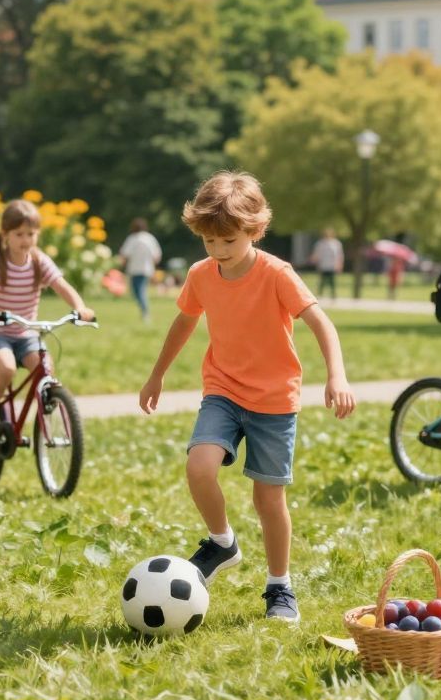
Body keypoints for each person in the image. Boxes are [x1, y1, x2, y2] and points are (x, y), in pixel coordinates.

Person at [138, 171, 355, 622]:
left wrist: (336, 376)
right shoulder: (201, 275)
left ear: (254, 230)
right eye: (209, 241)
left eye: (228, 242)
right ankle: (222, 542)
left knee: (268, 500)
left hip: (274, 400)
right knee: (199, 467)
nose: (218, 251)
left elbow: (321, 323)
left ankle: (280, 586)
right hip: (223, 389)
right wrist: (157, 374)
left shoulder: (277, 273)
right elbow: (183, 323)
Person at [0, 199, 97, 443]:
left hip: (26, 332)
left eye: (31, 234)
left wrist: (80, 307)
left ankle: (46, 407)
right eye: (19, 234)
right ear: (6, 234)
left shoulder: (39, 261)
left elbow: (62, 286)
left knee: (45, 368)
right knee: (6, 369)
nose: (26, 240)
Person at [117, 218, 162, 323]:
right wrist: (154, 266)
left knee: (138, 291)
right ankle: (144, 311)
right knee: (139, 291)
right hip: (147, 269)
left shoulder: (132, 239)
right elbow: (157, 255)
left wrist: (121, 265)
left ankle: (145, 313)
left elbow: (124, 254)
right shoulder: (150, 238)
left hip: (135, 269)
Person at [309, 228, 344, 300]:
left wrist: (339, 265)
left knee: (332, 281)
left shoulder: (336, 244)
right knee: (322, 281)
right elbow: (317, 254)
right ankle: (320, 294)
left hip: (332, 265)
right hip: (323, 265)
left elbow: (339, 255)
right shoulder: (320, 244)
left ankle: (333, 295)